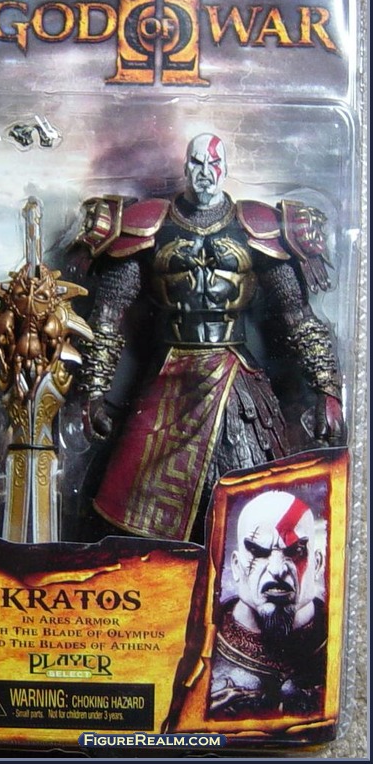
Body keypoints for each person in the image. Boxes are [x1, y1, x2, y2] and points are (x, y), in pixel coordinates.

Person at [73, 133, 343, 543]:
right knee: (134, 496)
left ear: (226, 168)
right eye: (197, 163)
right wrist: (94, 390)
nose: (205, 173)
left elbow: (298, 317)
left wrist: (327, 391)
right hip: (170, 375)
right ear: (185, 167)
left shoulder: (257, 227)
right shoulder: (148, 225)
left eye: (213, 164)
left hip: (235, 376)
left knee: (252, 495)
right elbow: (108, 313)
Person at [209, 490, 326, 717]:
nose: (277, 570)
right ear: (236, 566)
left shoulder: (341, 643)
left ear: (318, 564)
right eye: (258, 552)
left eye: (296, 551)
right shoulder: (197, 648)